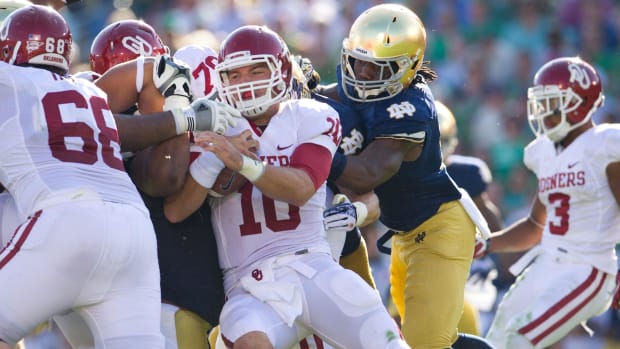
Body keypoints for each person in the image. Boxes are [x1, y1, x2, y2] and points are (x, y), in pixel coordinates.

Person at [163, 24, 409, 349]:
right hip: (248, 284)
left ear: (280, 70)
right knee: (247, 339)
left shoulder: (310, 116)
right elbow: (177, 211)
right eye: (234, 75)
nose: (245, 82)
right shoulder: (213, 121)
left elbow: (302, 187)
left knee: (382, 334)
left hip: (313, 268)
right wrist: (212, 161)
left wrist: (242, 162)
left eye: (256, 70)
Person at [311, 4, 494, 348]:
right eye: (357, 61)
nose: (362, 72)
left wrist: (315, 155)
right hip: (404, 236)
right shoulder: (372, 82)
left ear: (406, 69)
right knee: (396, 339)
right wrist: (304, 92)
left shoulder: (411, 107)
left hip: (439, 229)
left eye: (376, 67)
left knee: (427, 343)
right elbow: (337, 95)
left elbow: (366, 174)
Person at [0, 5, 163, 349]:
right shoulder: (89, 91)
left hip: (66, 221)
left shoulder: (10, 81)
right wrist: (187, 120)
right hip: (135, 231)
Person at [473, 56, 620, 349]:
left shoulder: (602, 145)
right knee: (497, 339)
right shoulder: (544, 153)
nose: (542, 113)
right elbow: (535, 226)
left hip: (588, 268)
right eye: (539, 104)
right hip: (547, 263)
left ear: (578, 102)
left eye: (551, 103)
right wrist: (489, 244)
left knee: (519, 339)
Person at [437, 100, 503, 336]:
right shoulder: (395, 169)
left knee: (471, 326)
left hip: (468, 264)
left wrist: (494, 249)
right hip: (425, 258)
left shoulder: (467, 174)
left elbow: (491, 224)